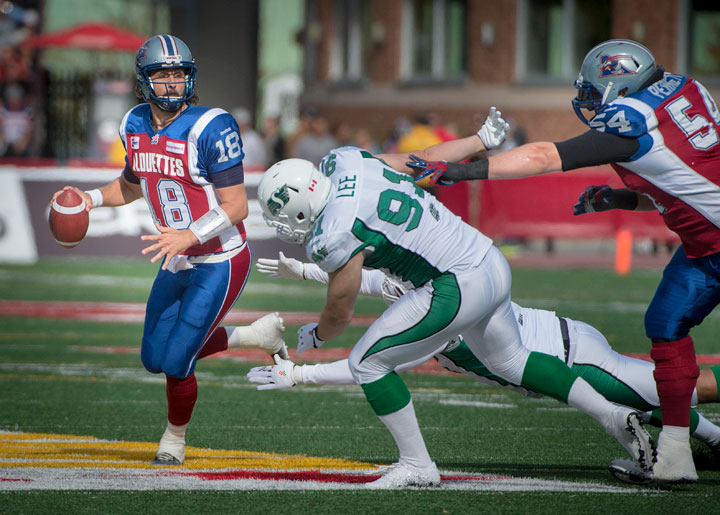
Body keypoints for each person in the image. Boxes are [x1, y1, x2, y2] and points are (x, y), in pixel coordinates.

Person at [255, 109, 656, 489]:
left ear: (299, 209)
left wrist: (320, 336)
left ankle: (417, 465)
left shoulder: (335, 232)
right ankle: (613, 415)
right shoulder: (346, 162)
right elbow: (426, 159)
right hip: (487, 259)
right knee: (512, 361)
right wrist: (479, 139)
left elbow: (340, 310)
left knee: (369, 363)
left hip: (454, 283)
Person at [406, 39, 720, 484]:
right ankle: (674, 455)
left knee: (666, 328)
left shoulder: (630, 117)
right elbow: (685, 178)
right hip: (703, 244)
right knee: (664, 325)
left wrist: (457, 171)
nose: (589, 104)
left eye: (594, 91)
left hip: (714, 243)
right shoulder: (686, 88)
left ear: (618, 81)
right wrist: (623, 198)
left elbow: (544, 156)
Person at [50, 35, 288, 466]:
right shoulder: (135, 123)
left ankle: (174, 440)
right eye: (163, 74)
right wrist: (90, 199)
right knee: (153, 358)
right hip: (178, 256)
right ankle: (254, 335)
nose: (173, 83)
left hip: (220, 257)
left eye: (180, 74)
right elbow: (130, 183)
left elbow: (236, 206)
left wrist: (189, 236)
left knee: (178, 359)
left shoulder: (211, 125)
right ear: (144, 80)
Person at [250, 255, 720, 464]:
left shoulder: (444, 305)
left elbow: (372, 366)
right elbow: (372, 281)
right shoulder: (428, 278)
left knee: (683, 388)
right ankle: (714, 438)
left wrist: (300, 374)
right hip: (560, 348)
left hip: (566, 356)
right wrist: (307, 271)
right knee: (660, 395)